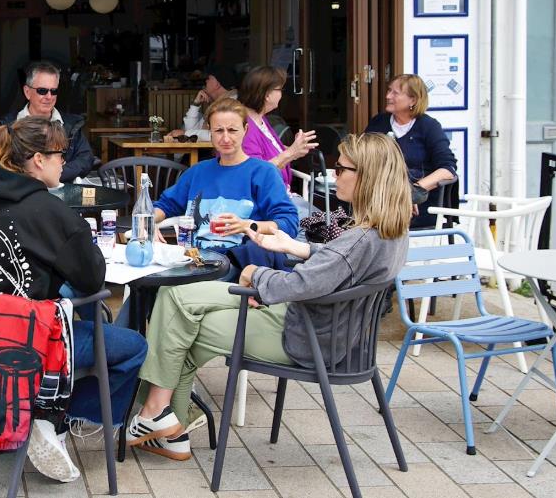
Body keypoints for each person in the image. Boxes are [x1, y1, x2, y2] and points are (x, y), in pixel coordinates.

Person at [126, 133, 411, 460]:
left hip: (303, 336)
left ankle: (155, 416)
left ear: (367, 177)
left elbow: (300, 284)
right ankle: (164, 422)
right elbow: (339, 263)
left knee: (178, 315)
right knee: (178, 305)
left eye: (341, 168)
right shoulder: (390, 233)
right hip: (331, 334)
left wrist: (254, 274)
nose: (334, 175)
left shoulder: (359, 241)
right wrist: (295, 246)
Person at [0, 116, 147, 483]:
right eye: (60, 153)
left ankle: (44, 413)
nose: (66, 161)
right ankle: (49, 414)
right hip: (32, 343)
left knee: (70, 298)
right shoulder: (51, 211)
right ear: (38, 160)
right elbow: (92, 277)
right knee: (134, 345)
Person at [152, 98, 300, 278]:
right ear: (210, 133)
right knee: (144, 286)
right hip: (195, 260)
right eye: (219, 130)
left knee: (166, 290)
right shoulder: (197, 172)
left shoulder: (263, 172)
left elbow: (289, 223)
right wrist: (148, 223)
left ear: (245, 130)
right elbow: (166, 205)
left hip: (239, 266)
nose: (225, 138)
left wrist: (248, 225)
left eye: (232, 130)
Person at [364, 74, 456, 227]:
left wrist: (412, 193)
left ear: (413, 100)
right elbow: (362, 157)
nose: (388, 96)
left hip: (419, 207)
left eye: (395, 93)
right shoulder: (378, 123)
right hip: (380, 201)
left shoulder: (428, 126)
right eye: (389, 91)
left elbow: (447, 169)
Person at [1, 61, 94, 183]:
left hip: (63, 194)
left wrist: (53, 174)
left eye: (53, 91)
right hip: (20, 194)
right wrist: (32, 177)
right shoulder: (7, 125)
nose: (49, 96)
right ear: (27, 92)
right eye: (42, 91)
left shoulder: (72, 125)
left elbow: (85, 160)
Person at [235, 66, 317, 189]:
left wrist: (296, 149)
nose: (282, 94)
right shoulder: (245, 127)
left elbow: (267, 151)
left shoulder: (260, 119)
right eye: (280, 89)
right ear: (267, 95)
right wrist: (291, 153)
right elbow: (256, 173)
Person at [165, 64, 238, 141]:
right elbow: (190, 129)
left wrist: (186, 133)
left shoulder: (231, 105)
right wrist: (195, 104)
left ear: (217, 83)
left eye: (208, 78)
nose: (206, 81)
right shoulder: (218, 104)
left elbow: (218, 135)